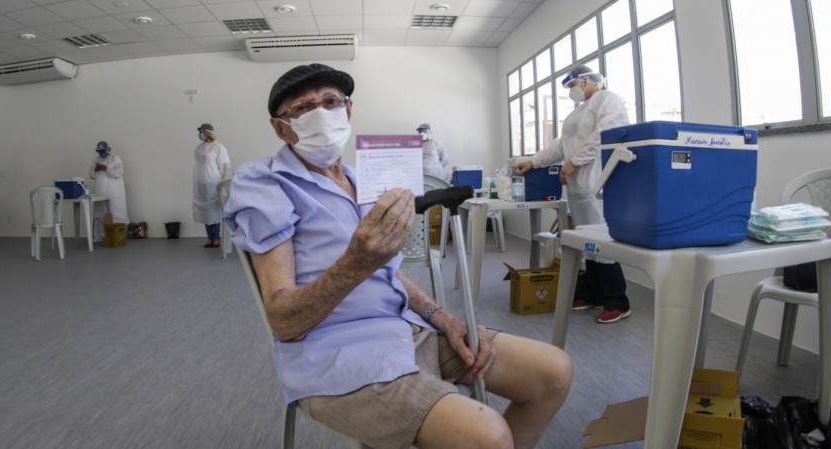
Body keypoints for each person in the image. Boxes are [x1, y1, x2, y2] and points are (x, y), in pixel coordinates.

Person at [223, 63, 572, 449]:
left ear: (348, 110)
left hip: (407, 328)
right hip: (337, 351)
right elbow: (284, 320)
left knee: (553, 372)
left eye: (330, 102)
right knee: (486, 436)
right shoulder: (266, 182)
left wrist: (442, 318)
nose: (320, 113)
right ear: (280, 127)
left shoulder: (362, 180)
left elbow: (384, 271)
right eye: (303, 108)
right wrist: (356, 261)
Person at [513, 65, 632, 324]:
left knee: (602, 243)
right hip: (577, 187)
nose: (571, 91)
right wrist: (533, 161)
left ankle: (617, 301)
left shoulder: (607, 99)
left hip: (598, 181)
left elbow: (605, 136)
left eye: (573, 85)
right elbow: (560, 146)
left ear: (587, 80)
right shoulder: (575, 114)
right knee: (587, 243)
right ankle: (594, 294)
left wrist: (573, 162)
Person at [193, 123, 231, 248]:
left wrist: (223, 182)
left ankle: (216, 238)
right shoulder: (199, 148)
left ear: (208, 133)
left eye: (202, 132)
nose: (200, 135)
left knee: (214, 211)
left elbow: (225, 166)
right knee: (205, 211)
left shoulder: (218, 147)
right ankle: (209, 238)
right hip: (201, 184)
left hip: (213, 184)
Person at [89, 141, 129, 242]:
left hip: (114, 191)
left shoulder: (115, 158)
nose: (101, 153)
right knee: (100, 213)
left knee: (115, 211)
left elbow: (119, 172)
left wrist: (107, 168)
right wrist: (96, 169)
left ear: (107, 149)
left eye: (102, 151)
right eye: (99, 152)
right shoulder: (96, 159)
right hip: (100, 190)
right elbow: (91, 175)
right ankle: (99, 235)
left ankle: (117, 235)